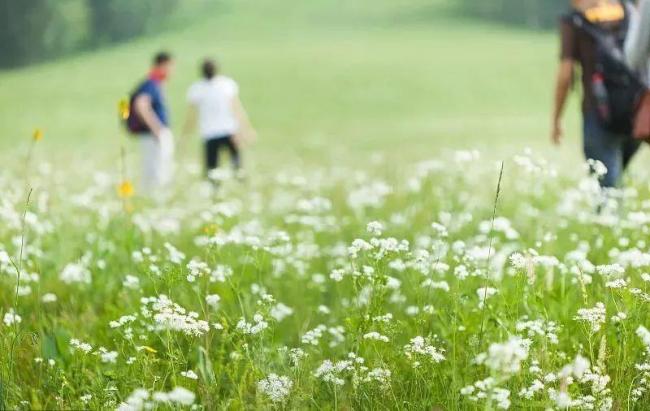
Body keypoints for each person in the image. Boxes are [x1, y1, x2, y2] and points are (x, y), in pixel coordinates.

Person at [551, 0, 641, 188]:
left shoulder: (574, 20)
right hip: (635, 110)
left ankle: (609, 215)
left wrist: (557, 119)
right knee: (616, 182)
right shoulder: (627, 10)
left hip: (598, 112)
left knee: (606, 190)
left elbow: (566, 74)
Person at [182, 58, 256, 181]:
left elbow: (191, 117)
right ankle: (238, 188)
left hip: (210, 134)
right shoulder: (226, 85)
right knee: (237, 167)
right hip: (229, 130)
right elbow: (237, 109)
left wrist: (185, 137)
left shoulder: (196, 89)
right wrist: (246, 129)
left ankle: (214, 192)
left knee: (212, 170)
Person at [130, 51, 175, 192]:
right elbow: (141, 104)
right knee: (158, 169)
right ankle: (157, 199)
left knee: (153, 168)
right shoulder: (152, 83)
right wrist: (156, 128)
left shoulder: (153, 83)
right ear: (164, 65)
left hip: (151, 134)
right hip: (154, 134)